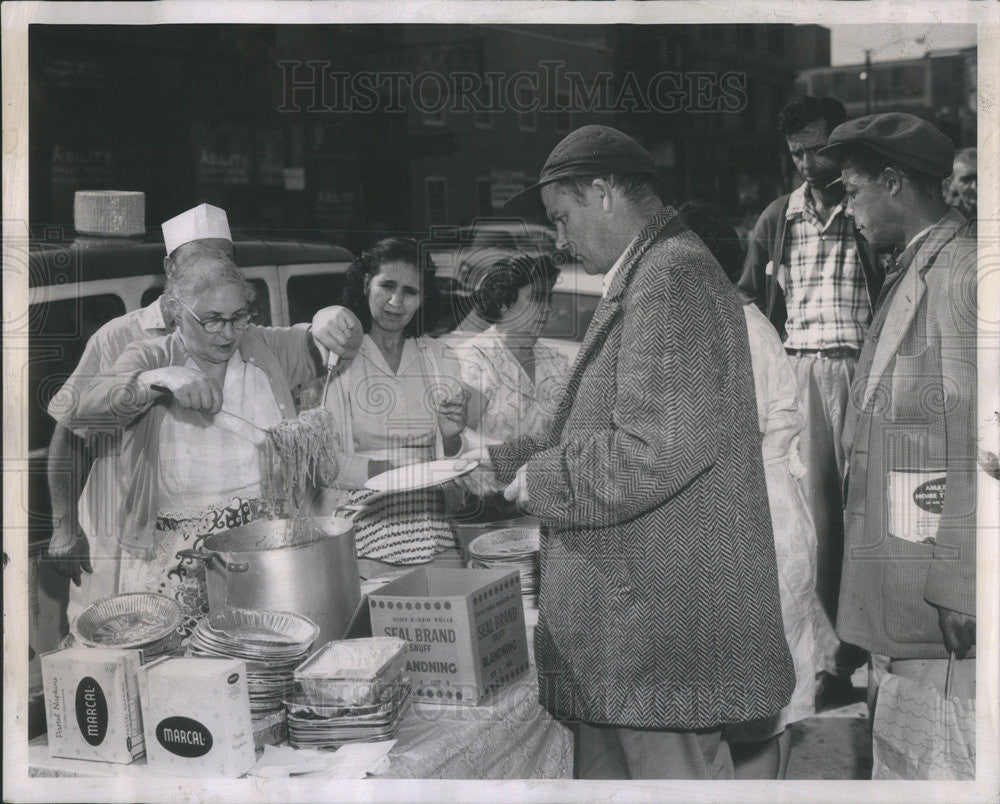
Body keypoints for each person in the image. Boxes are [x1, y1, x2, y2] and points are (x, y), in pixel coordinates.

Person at [465, 125, 794, 780]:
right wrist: (499, 463)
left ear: (604, 192)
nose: (559, 240)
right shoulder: (653, 269)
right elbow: (596, 423)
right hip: (634, 627)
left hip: (655, 630)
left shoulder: (670, 279)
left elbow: (654, 448)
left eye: (562, 218)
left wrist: (536, 479)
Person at [65, 252, 360, 637]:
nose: (227, 333)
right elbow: (84, 412)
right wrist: (159, 379)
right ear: (175, 312)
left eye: (238, 316)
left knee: (268, 655)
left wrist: (333, 318)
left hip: (263, 550)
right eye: (212, 320)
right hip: (183, 563)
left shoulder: (262, 347)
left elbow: (332, 347)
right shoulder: (151, 353)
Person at [820, 113, 977, 775]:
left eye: (852, 192)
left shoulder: (964, 274)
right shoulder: (915, 265)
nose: (844, 210)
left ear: (893, 182)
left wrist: (965, 585)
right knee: (903, 759)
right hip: (902, 586)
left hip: (939, 606)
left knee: (938, 764)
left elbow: (982, 442)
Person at [738, 96, 883, 700]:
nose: (805, 162)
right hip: (800, 376)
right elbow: (747, 298)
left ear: (840, 143)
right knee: (811, 519)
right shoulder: (778, 218)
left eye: (816, 149)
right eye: (795, 151)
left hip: (860, 370)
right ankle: (824, 656)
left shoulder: (865, 211)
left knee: (864, 513)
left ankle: (865, 646)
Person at [680, 200, 818, 779]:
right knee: (769, 708)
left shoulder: (727, 330)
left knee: (755, 711)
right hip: (772, 515)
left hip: (752, 524)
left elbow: (704, 444)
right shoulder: (745, 320)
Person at [46, 203, 235, 622]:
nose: (206, 274)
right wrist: (64, 528)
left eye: (220, 262)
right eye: (195, 260)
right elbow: (71, 434)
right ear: (169, 267)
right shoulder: (121, 337)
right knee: (118, 638)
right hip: (121, 532)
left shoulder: (232, 334)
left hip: (203, 532)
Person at [312, 237, 470, 567]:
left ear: (423, 298)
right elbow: (324, 464)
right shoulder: (337, 359)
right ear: (366, 284)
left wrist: (452, 436)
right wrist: (393, 472)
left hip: (429, 516)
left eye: (410, 291)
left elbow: (454, 463)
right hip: (364, 516)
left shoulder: (439, 358)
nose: (396, 302)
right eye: (387, 286)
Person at [454, 253, 570, 441]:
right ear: (504, 303)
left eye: (549, 299)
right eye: (536, 298)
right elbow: (459, 436)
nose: (547, 308)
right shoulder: (474, 358)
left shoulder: (556, 362)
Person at [944, 147, 976, 223]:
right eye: (966, 180)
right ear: (951, 183)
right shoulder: (947, 217)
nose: (974, 186)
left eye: (980, 179)